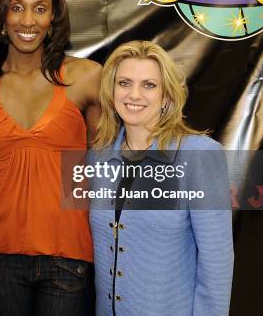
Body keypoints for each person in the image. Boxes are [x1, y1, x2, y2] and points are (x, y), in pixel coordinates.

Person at [0, 0, 101, 316]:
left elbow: (105, 171)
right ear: (2, 16)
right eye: (17, 7)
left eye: (39, 8)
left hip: (69, 257)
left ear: (54, 18)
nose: (27, 21)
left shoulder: (86, 78)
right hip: (1, 258)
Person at [90, 40, 234, 315]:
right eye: (124, 83)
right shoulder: (101, 156)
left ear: (167, 96)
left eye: (149, 85)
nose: (134, 94)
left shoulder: (199, 154)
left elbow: (217, 262)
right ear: (111, 91)